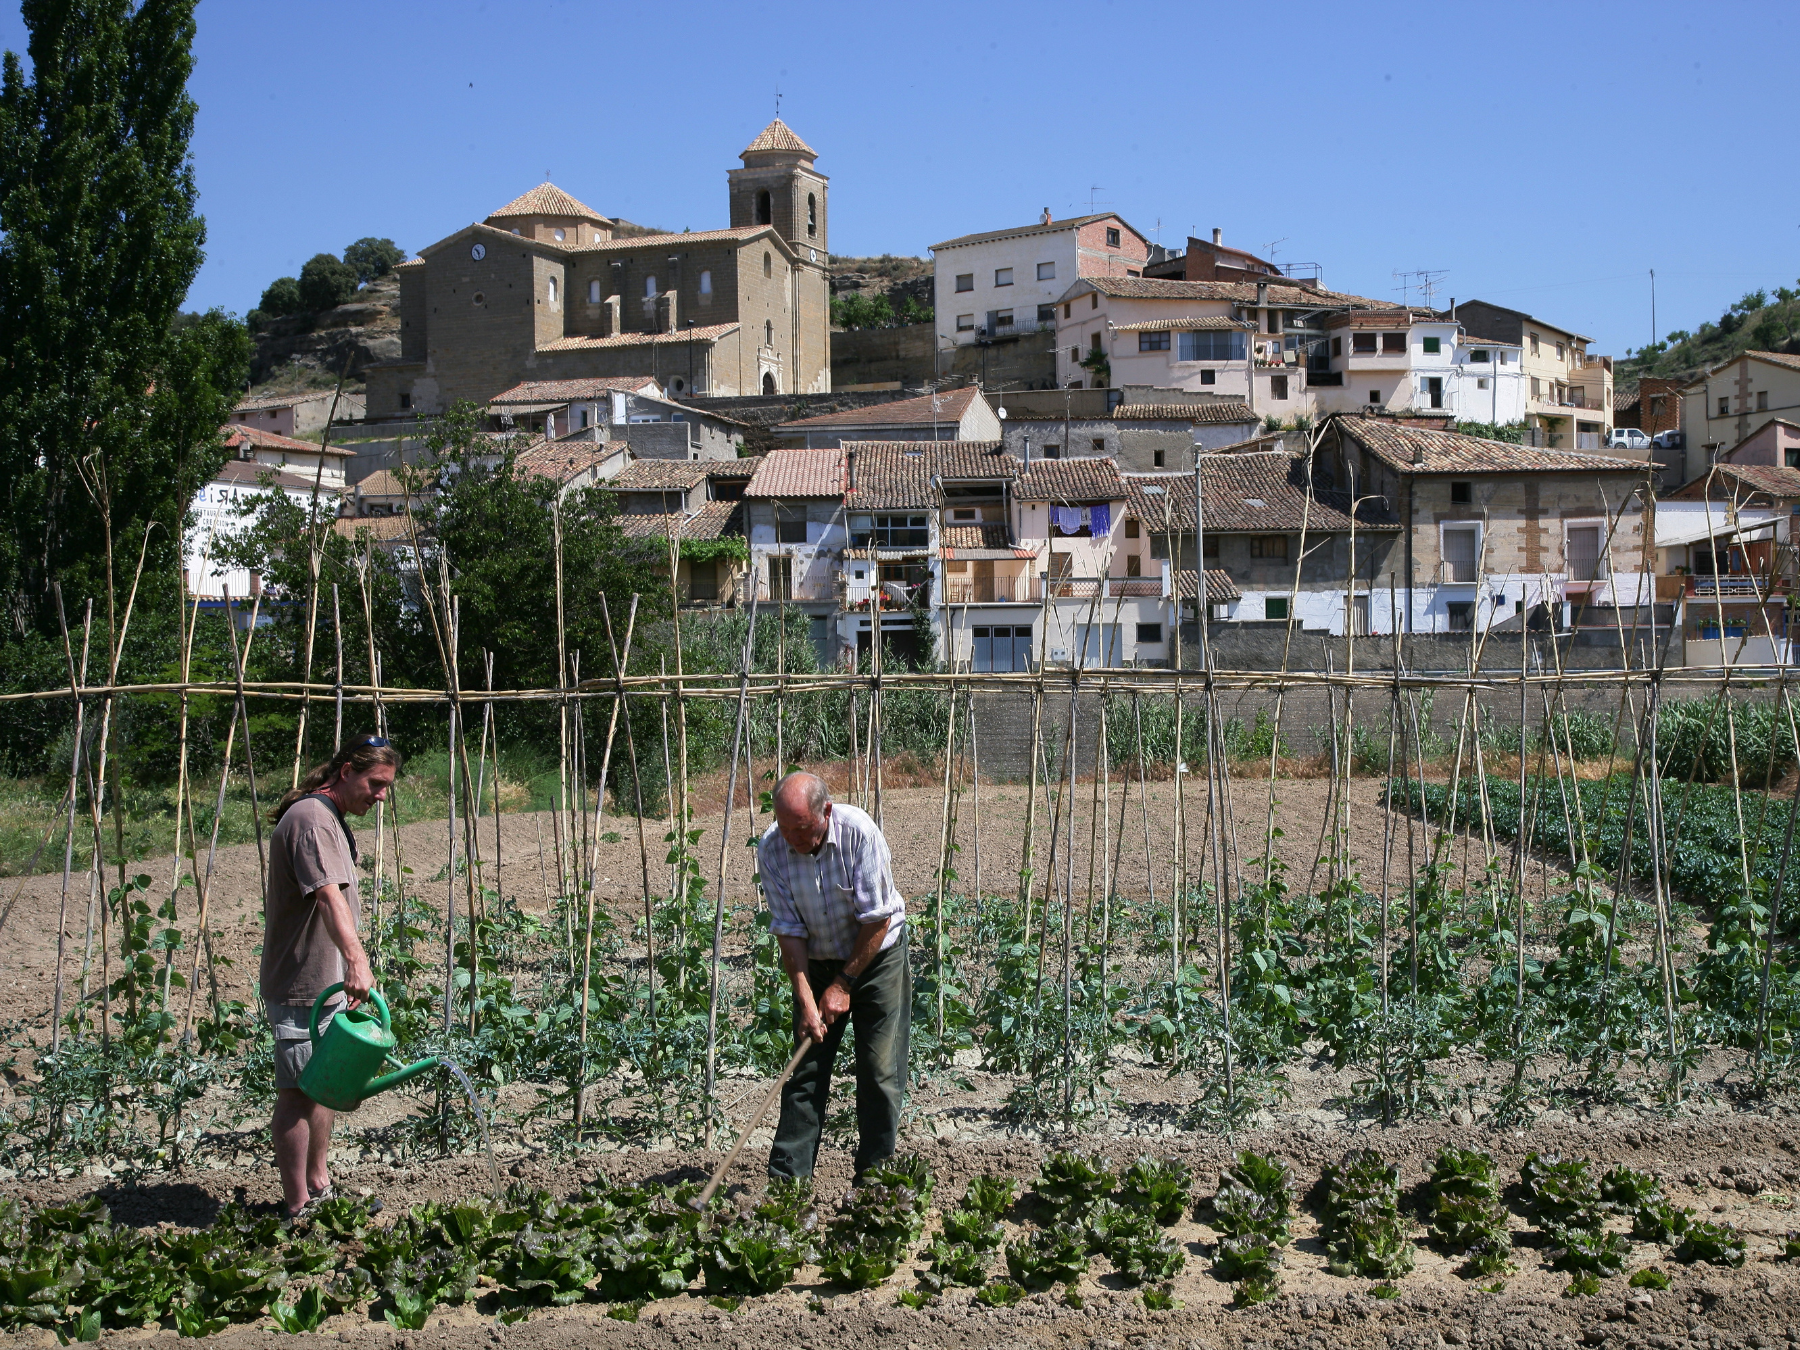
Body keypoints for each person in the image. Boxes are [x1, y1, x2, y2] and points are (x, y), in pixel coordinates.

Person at [261, 734, 402, 1217]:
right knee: (299, 1093)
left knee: (321, 1086)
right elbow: (327, 895)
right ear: (346, 772)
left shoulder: (328, 819)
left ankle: (318, 1188)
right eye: (375, 783)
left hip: (324, 981)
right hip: (302, 983)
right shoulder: (311, 820)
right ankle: (299, 1208)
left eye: (387, 787)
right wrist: (358, 962)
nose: (380, 795)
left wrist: (345, 971)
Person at [758, 770, 909, 1182]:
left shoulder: (858, 833)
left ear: (825, 811)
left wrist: (844, 985)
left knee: (879, 1070)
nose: (792, 838)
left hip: (876, 957)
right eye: (785, 828)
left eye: (801, 828)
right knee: (804, 1068)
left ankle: (875, 1181)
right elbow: (789, 931)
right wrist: (808, 998)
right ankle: (788, 1183)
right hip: (817, 959)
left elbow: (878, 920)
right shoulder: (772, 848)